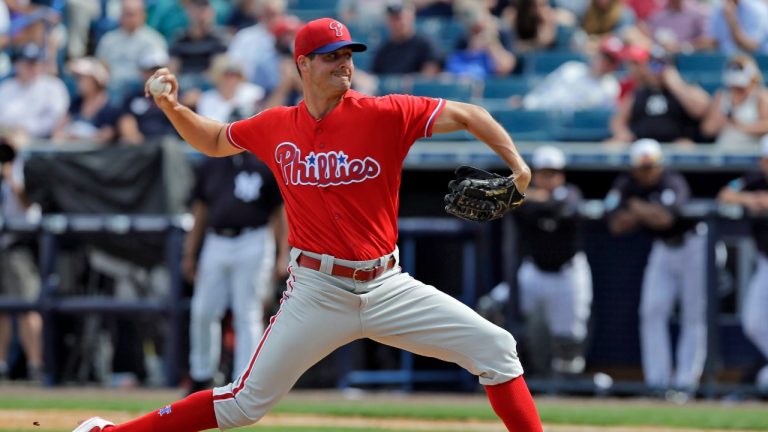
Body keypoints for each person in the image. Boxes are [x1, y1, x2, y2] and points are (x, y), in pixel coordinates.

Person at [72, 17, 542, 432]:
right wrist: (174, 109)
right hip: (318, 289)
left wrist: (517, 167)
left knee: (497, 349)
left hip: (388, 285)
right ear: (302, 64)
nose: (343, 63)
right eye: (330, 56)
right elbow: (215, 139)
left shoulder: (384, 113)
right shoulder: (277, 125)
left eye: (348, 55)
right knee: (243, 404)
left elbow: (469, 114)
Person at [604, 138, 707, 400]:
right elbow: (615, 225)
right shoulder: (626, 184)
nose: (649, 172)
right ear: (635, 168)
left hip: (694, 245)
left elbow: (664, 218)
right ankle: (657, 384)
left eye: (652, 167)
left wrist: (636, 208)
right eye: (643, 168)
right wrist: (645, 211)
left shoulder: (672, 181)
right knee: (651, 311)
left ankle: (685, 384)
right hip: (663, 249)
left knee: (693, 316)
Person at [183, 151, 287, 394]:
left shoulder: (265, 161)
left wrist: (284, 252)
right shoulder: (212, 163)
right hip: (216, 239)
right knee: (203, 310)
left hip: (254, 237)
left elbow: (280, 210)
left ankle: (245, 380)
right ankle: (202, 375)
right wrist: (190, 252)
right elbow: (200, 209)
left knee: (247, 311)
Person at [514, 146, 593, 376]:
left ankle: (563, 393)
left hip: (567, 274)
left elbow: (564, 208)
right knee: (496, 312)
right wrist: (525, 198)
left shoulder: (571, 194)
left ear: (562, 175)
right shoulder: (525, 198)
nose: (548, 178)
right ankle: (520, 379)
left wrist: (529, 198)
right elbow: (511, 208)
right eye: (543, 173)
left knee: (568, 341)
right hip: (534, 272)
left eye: (553, 173)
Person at [717, 135, 768, 393]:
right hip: (765, 261)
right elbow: (725, 194)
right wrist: (753, 199)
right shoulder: (754, 179)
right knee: (754, 322)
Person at [0, 136, 43, 382]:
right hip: (2, 245)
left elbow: (30, 209)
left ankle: (35, 365)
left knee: (27, 304)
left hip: (20, 244)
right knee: (2, 310)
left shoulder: (26, 169)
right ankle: (2, 364)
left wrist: (11, 178)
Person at [608, 45, 710, 145]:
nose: (657, 71)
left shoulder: (686, 88)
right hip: (643, 144)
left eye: (661, 65)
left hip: (676, 143)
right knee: (613, 145)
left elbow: (700, 110)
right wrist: (623, 133)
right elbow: (618, 120)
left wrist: (675, 84)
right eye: (652, 65)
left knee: (685, 147)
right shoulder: (639, 92)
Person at [520, 35, 623, 111]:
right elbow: (544, 89)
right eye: (603, 56)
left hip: (573, 135)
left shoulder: (611, 87)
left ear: (614, 65)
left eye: (610, 60)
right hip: (542, 115)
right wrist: (525, 102)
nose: (604, 62)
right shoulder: (571, 68)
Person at [95, 0, 168, 90]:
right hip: (109, 88)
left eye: (131, 14)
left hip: (138, 90)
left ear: (143, 15)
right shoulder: (108, 39)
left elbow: (155, 72)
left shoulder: (154, 40)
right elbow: (101, 65)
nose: (128, 18)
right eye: (125, 14)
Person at [700, 54, 768, 147]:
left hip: (753, 151)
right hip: (724, 151)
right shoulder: (721, 96)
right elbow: (707, 129)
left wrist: (740, 126)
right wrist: (721, 122)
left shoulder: (761, 95)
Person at [52, 57, 120, 145]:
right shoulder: (76, 103)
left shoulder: (111, 107)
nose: (78, 82)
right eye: (77, 78)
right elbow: (57, 131)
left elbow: (107, 136)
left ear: (96, 81)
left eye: (82, 78)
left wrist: (80, 138)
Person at [371, 0, 440, 76]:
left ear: (411, 17)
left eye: (400, 18)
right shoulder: (383, 49)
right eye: (393, 19)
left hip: (415, 88)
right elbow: (375, 77)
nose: (397, 24)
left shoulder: (425, 43)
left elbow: (430, 75)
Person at [702, 0, 768, 56]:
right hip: (724, 63)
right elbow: (714, 42)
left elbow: (752, 47)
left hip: (759, 64)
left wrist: (732, 20)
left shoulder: (757, 10)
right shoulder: (717, 10)